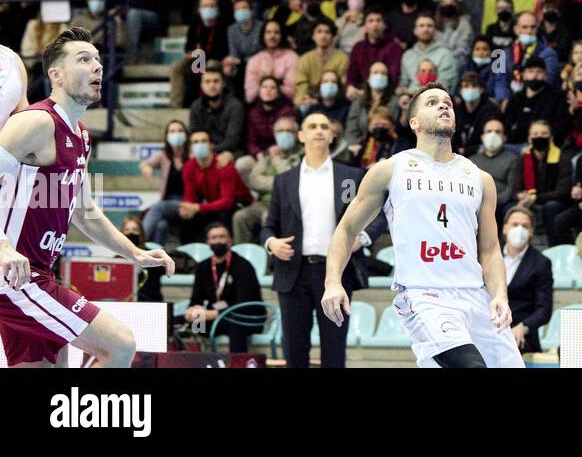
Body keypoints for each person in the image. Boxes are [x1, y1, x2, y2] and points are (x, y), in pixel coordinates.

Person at [0, 28, 173, 366]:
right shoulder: (37, 121)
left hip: (38, 272)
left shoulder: (81, 136)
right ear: (56, 75)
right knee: (119, 345)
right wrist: (3, 247)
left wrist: (134, 253)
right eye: (83, 59)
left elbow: (85, 211)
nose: (97, 67)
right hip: (14, 276)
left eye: (97, 59)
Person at [321, 85, 523, 368]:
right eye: (432, 102)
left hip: (475, 295)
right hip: (424, 295)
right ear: (413, 122)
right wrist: (332, 282)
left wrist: (500, 293)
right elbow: (346, 230)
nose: (444, 106)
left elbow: (489, 249)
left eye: (447, 102)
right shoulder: (390, 170)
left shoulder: (479, 178)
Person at [262, 112, 374, 368]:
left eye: (325, 126)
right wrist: (272, 244)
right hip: (293, 272)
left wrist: (363, 237)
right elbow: (268, 227)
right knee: (294, 352)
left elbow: (380, 216)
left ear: (333, 135)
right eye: (312, 126)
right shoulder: (284, 180)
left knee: (334, 353)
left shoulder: (350, 176)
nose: (319, 131)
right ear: (301, 135)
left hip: (335, 273)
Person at [184, 221, 263, 352]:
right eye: (214, 238)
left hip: (246, 318)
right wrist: (191, 312)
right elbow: (196, 299)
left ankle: (237, 364)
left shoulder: (243, 266)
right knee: (181, 324)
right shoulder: (203, 267)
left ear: (230, 240)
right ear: (208, 242)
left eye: (222, 237)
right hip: (216, 318)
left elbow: (244, 304)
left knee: (235, 326)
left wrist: (211, 314)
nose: (218, 241)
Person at [500, 207, 553, 354]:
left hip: (520, 334)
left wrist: (523, 327)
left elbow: (544, 310)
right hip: (487, 328)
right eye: (515, 224)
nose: (519, 229)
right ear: (505, 228)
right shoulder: (489, 256)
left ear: (531, 232)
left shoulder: (541, 263)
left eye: (525, 226)